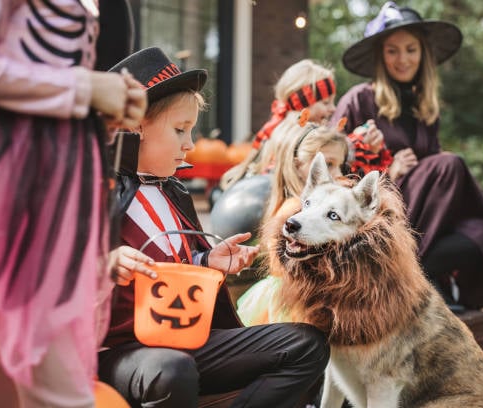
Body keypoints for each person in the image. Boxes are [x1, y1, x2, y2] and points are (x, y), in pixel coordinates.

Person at [98, 47, 329, 408]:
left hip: (187, 339)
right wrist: (103, 263)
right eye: (179, 130)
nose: (190, 144)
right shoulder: (93, 191)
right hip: (119, 351)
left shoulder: (173, 190)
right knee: (172, 370)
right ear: (135, 127)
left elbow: (178, 269)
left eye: (191, 131)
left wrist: (207, 262)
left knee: (306, 345)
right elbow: (47, 272)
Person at [0, 1, 147, 407]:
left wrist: (104, 113)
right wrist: (86, 88)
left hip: (60, 194)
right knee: (53, 373)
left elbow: (45, 92)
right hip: (11, 197)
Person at [330, 1, 483, 309]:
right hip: (380, 213)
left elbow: (435, 173)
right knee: (450, 165)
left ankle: (420, 278)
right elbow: (333, 173)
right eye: (392, 50)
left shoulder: (425, 107)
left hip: (424, 222)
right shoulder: (359, 99)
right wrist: (389, 172)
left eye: (411, 49)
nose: (403, 59)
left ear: (423, 53)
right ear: (380, 56)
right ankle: (413, 280)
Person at [236, 114, 350, 326]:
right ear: (298, 165)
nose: (338, 174)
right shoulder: (296, 208)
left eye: (341, 166)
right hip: (292, 301)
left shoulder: (307, 205)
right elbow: (281, 264)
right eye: (328, 165)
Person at [219, 59, 337, 191]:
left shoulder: (278, 130)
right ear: (302, 103)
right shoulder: (297, 138)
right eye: (326, 102)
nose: (333, 108)